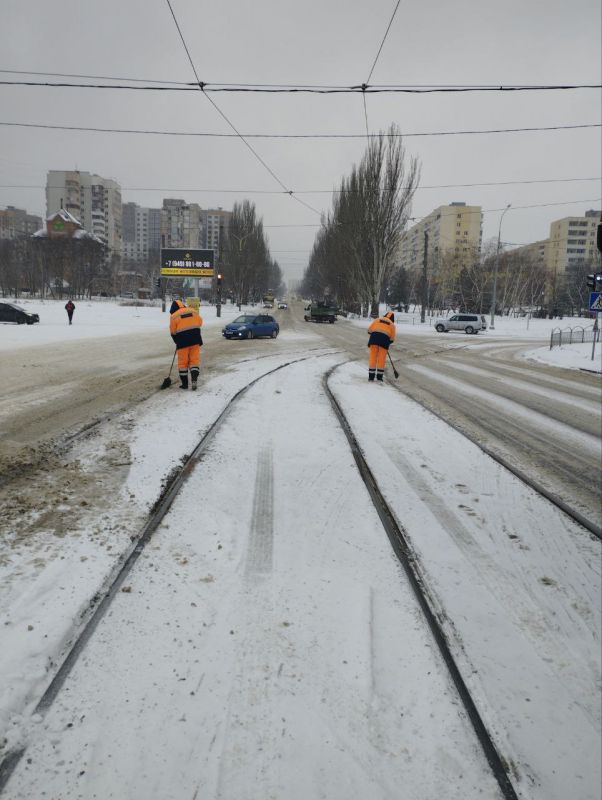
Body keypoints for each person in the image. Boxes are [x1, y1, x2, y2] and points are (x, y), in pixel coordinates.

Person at [169, 299, 203, 390]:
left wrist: (177, 341)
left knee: (183, 363)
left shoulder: (174, 316)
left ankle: (185, 384)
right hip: (195, 340)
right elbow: (200, 323)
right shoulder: (193, 311)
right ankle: (194, 380)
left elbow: (173, 332)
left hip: (182, 343)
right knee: (194, 361)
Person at [367, 310, 396, 382]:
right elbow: (392, 339)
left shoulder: (377, 319)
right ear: (392, 318)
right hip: (384, 342)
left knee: (373, 357)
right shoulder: (392, 325)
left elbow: (369, 330)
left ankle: (371, 376)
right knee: (381, 359)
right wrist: (387, 342)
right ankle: (379, 377)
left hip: (373, 340)